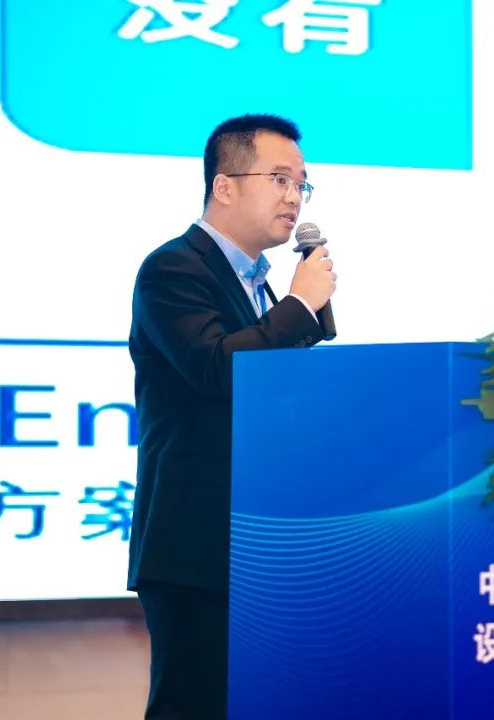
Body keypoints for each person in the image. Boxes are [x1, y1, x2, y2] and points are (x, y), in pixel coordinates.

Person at [126, 114, 336, 719]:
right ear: (224, 186)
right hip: (197, 545)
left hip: (260, 539)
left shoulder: (259, 284)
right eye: (280, 179)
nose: (295, 197)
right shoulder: (174, 268)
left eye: (301, 184)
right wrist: (301, 305)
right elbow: (218, 369)